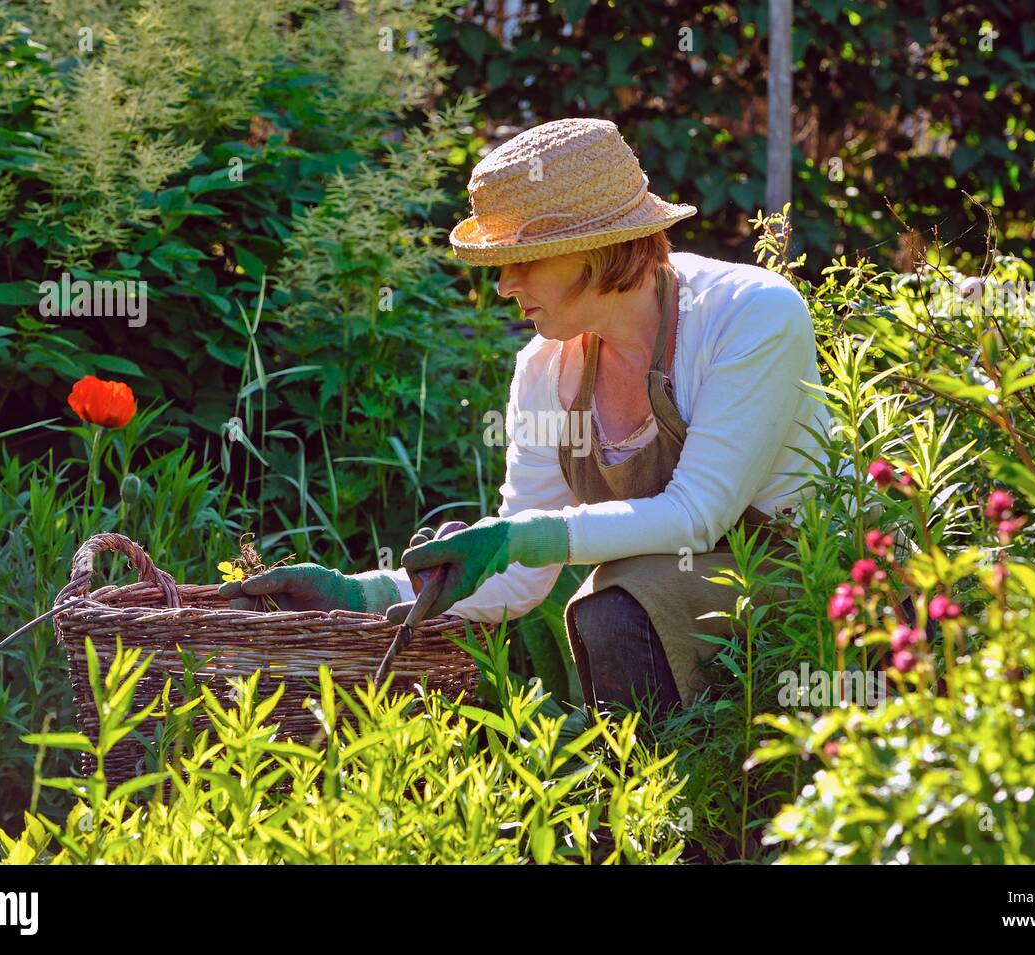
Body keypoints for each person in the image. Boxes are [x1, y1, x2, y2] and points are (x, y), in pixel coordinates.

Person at [220, 118, 830, 713]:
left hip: (814, 600)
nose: (506, 283)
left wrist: (521, 539)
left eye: (529, 258)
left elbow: (697, 515)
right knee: (619, 600)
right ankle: (643, 802)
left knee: (616, 606)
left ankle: (664, 807)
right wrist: (360, 593)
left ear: (599, 246)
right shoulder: (544, 371)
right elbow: (515, 577)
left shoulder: (749, 315)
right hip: (680, 608)